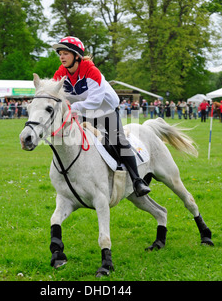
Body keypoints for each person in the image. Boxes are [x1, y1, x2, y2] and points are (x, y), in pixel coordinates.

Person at [52, 36, 150, 197]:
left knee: (118, 140)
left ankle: (137, 180)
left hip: (105, 111)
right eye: (60, 54)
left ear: (76, 55)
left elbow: (95, 102)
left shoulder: (91, 71)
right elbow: (54, 93)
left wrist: (71, 108)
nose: (61, 57)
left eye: (65, 53)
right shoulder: (60, 73)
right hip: (83, 112)